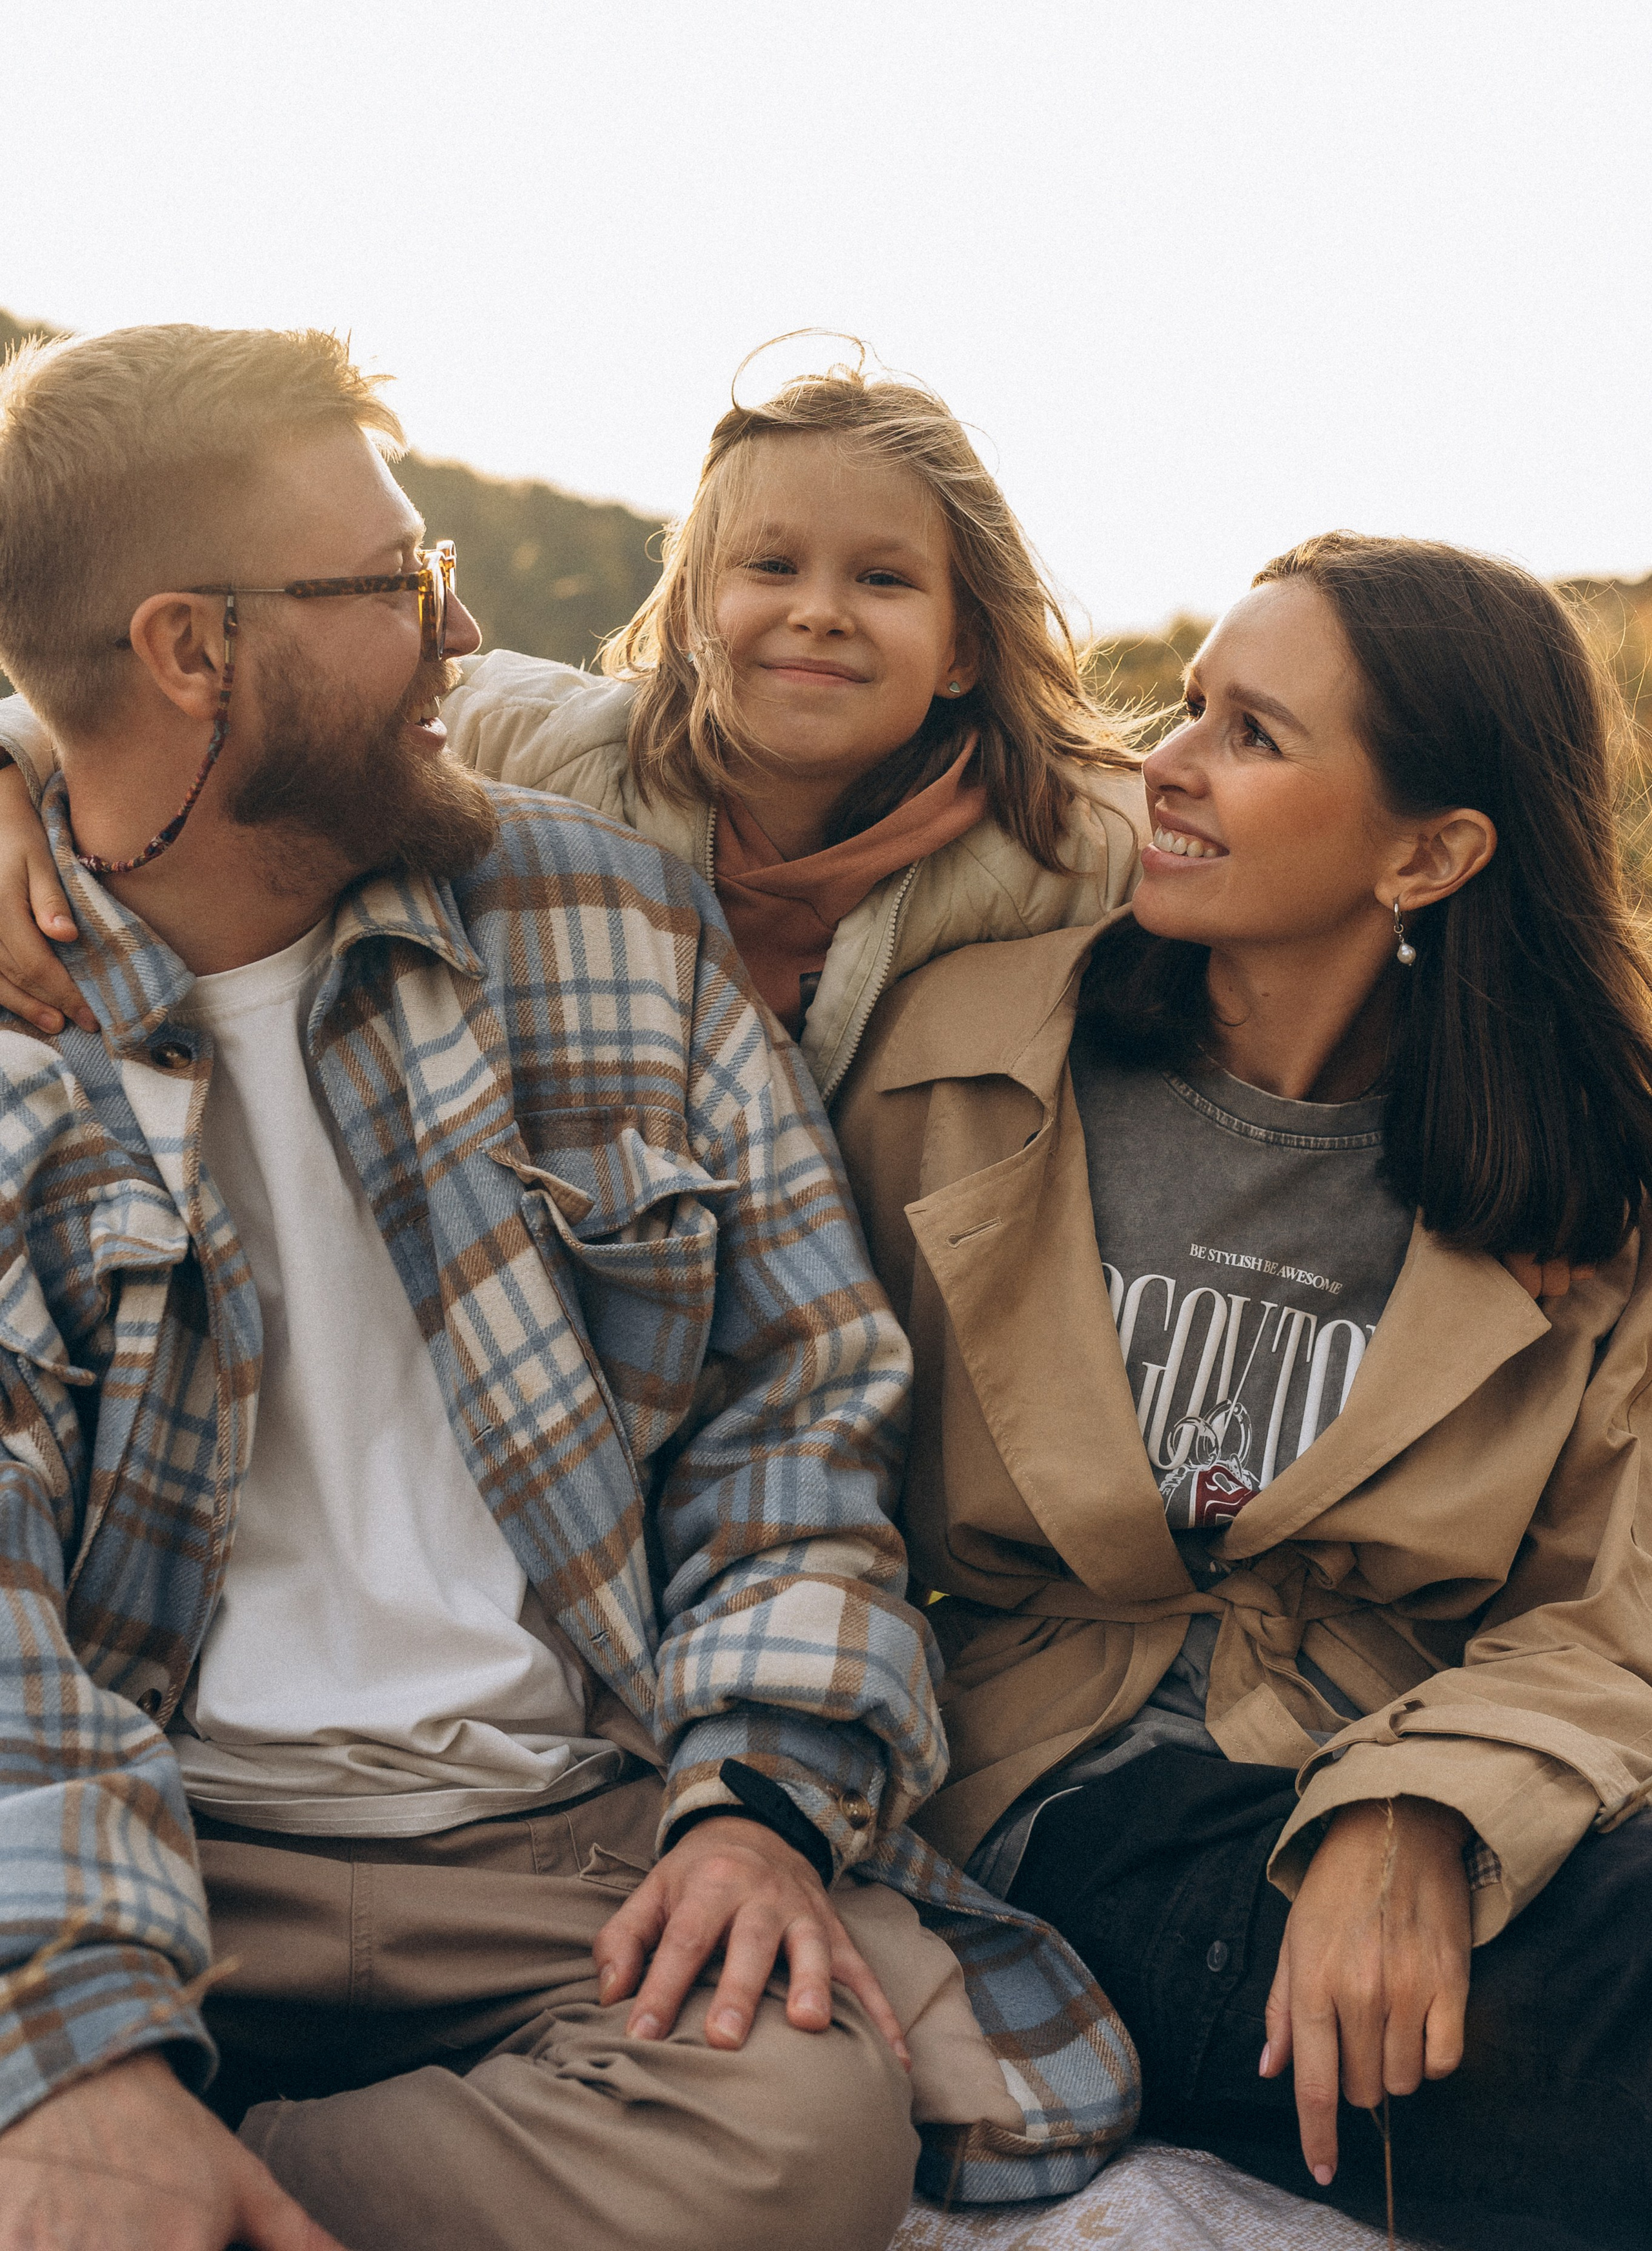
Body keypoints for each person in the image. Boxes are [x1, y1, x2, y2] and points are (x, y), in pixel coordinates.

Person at [0, 325, 1134, 2251]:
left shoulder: (601, 914)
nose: (459, 632)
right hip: (147, 1825)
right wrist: (76, 2038)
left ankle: (175, 2194)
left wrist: (754, 1805)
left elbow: (801, 1406)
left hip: (556, 1835)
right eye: (399, 586)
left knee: (800, 2127)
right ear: (190, 649)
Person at [832, 532, 1652, 2251]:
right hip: (1050, 1797)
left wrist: (1417, 1804)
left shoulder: (1587, 1171)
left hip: (1404, 1782)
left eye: (1253, 734)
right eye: (1190, 703)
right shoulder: (958, 1064)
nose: (1172, 762)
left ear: (1429, 854)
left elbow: (1609, 1612)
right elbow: (792, 1457)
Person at [0, 348, 1149, 1102]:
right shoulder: (552, 744)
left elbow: (1211, 836)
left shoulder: (1060, 838)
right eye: (770, 566)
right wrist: (8, 767)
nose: (819, 611)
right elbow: (193, 705)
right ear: (689, 609)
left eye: (884, 580)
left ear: (963, 649)